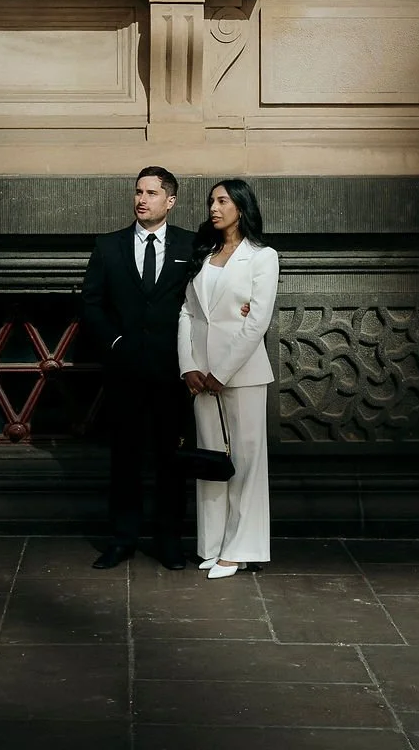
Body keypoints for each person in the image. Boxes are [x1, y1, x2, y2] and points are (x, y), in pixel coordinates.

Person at [80, 166, 194, 570]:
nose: (141, 199)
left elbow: (206, 301)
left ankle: (168, 542)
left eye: (150, 193)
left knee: (171, 460)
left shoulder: (191, 246)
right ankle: (122, 539)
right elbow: (91, 303)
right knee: (124, 458)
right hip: (124, 371)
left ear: (170, 201)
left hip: (173, 372)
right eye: (137, 192)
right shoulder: (108, 246)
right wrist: (114, 343)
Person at [178, 178, 278, 579]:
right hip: (199, 376)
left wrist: (222, 372)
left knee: (247, 463)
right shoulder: (204, 253)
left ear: (241, 206)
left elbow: (257, 321)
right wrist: (189, 366)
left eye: (222, 201)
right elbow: (186, 311)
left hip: (241, 374)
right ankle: (213, 545)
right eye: (211, 202)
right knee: (210, 461)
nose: (214, 208)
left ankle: (240, 549)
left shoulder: (262, 256)